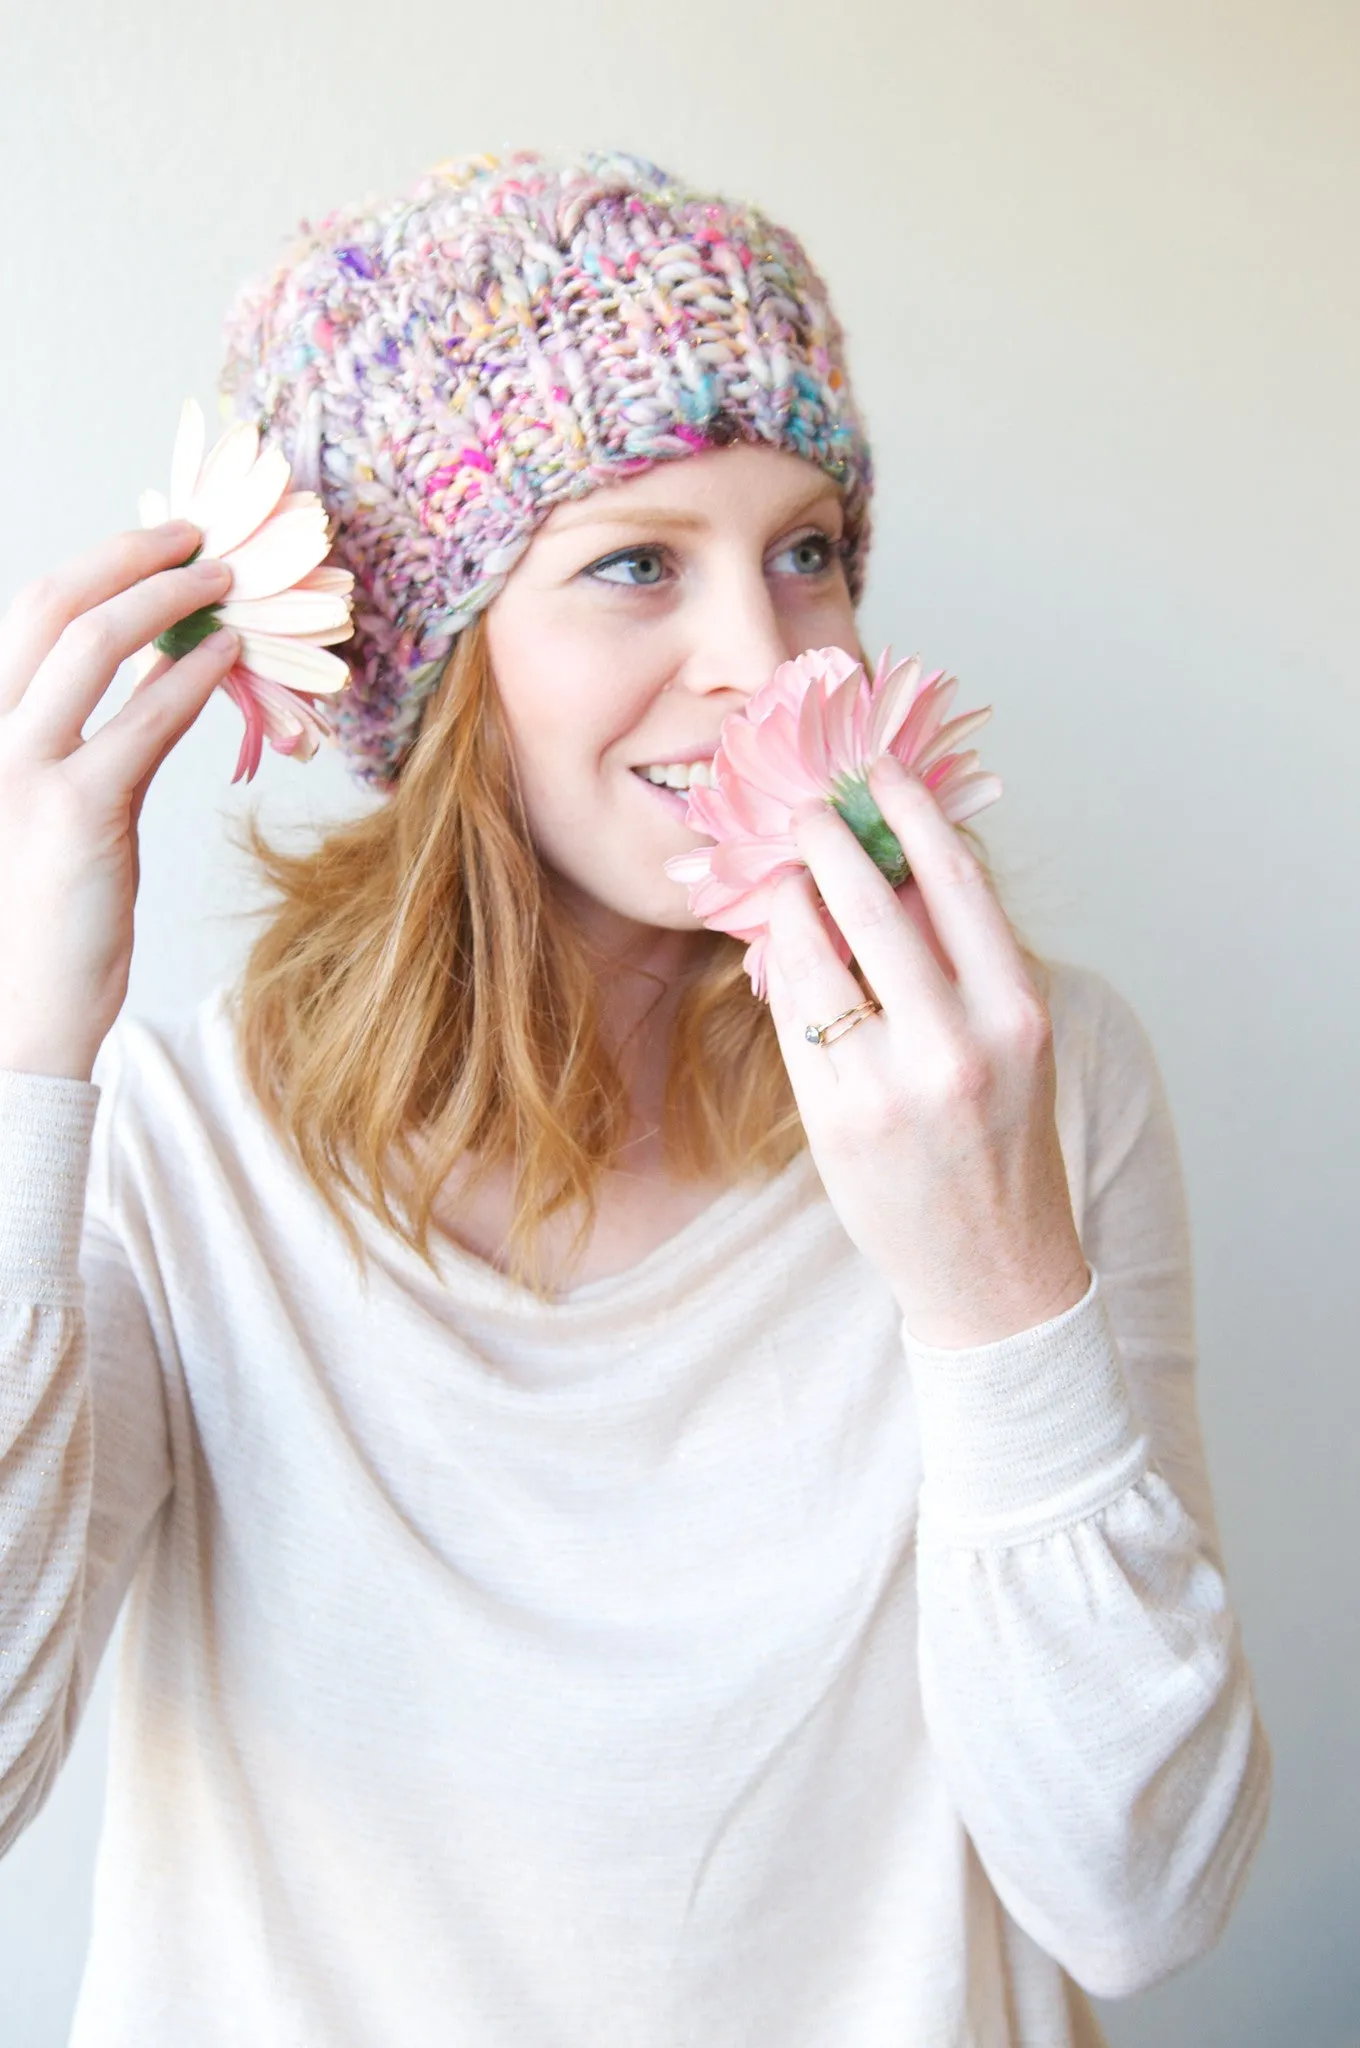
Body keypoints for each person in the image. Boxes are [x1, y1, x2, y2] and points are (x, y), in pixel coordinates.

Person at [0, 149, 1270, 2047]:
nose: (768, 666)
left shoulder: (1031, 1076)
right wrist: (28, 1060)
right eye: (633, 564)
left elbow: (1141, 1898)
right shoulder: (180, 1152)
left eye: (809, 550)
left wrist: (993, 1281)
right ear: (436, 679)